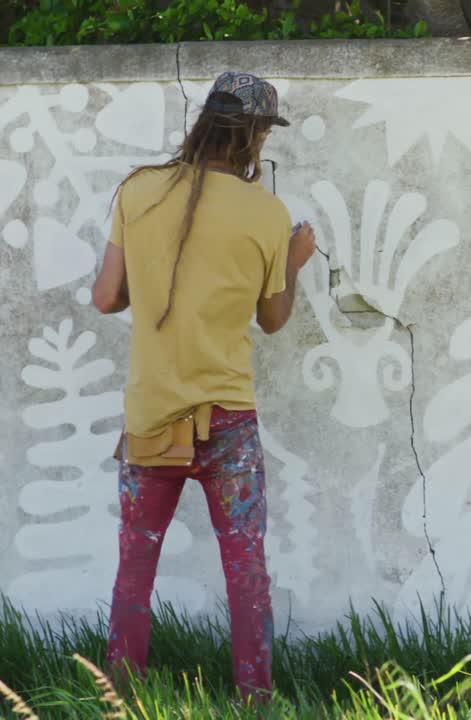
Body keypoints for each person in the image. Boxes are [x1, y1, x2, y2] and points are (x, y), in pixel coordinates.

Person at [90, 71, 316, 705]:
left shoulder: (138, 191)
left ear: (205, 123)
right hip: (229, 421)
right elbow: (272, 321)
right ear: (252, 137)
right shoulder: (268, 214)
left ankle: (119, 699)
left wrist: (159, 279)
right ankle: (256, 700)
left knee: (135, 567)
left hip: (152, 415)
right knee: (246, 568)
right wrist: (293, 265)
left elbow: (107, 296)